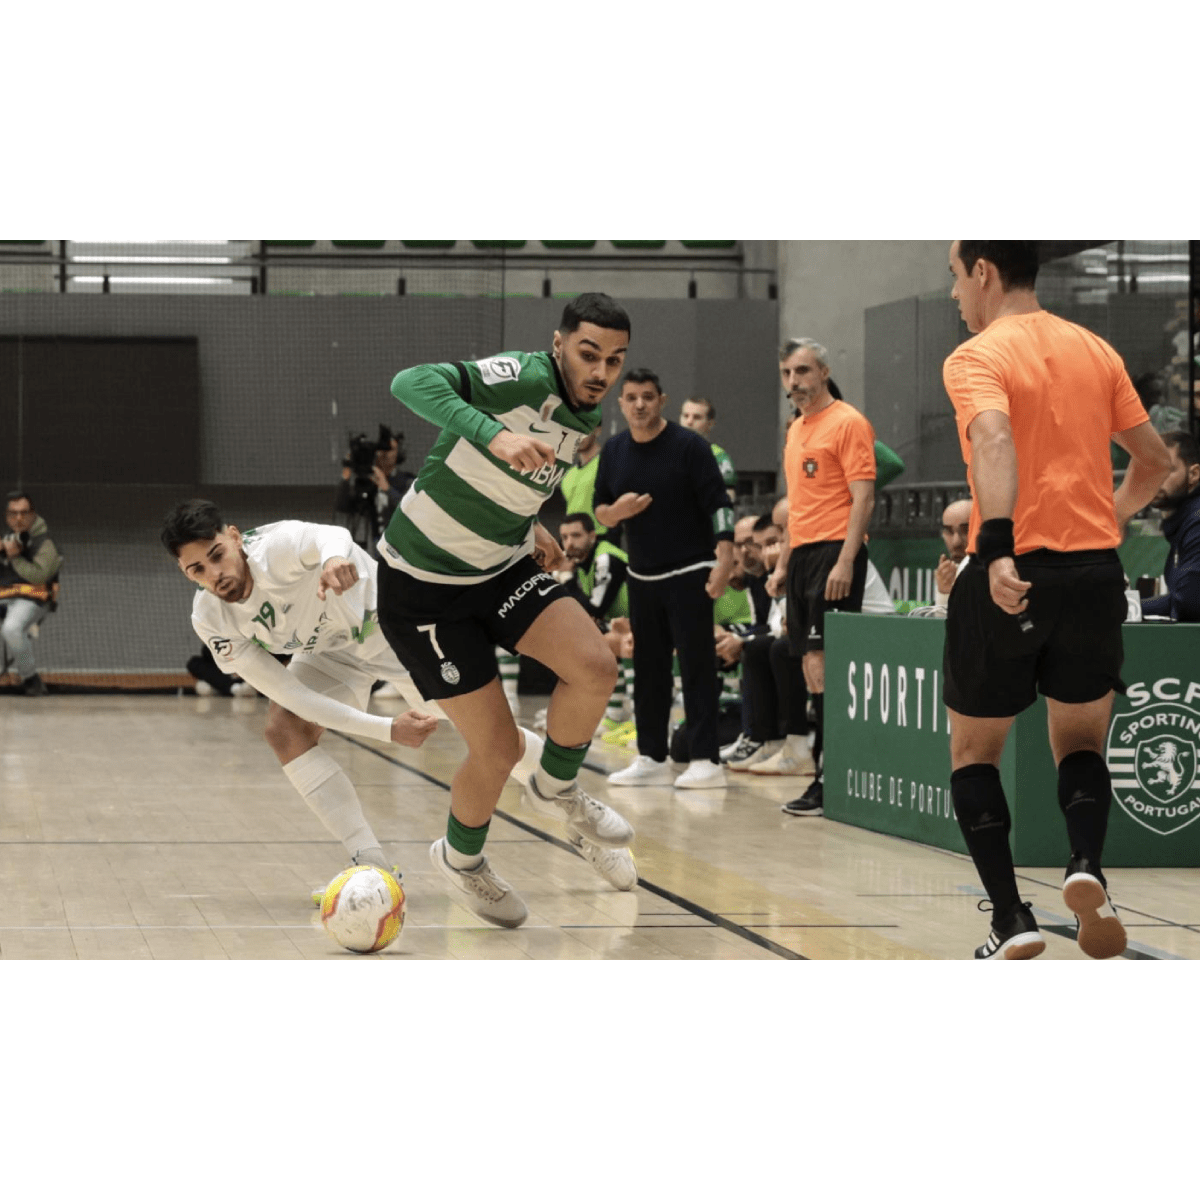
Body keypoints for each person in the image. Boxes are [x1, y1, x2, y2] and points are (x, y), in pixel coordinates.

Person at [375, 293, 639, 924]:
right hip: (423, 588)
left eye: (615, 359)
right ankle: (461, 862)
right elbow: (409, 382)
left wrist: (533, 527)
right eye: (588, 353)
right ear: (558, 344)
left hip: (500, 567)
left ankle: (555, 788)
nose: (601, 371)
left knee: (597, 666)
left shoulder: (586, 415)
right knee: (493, 751)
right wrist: (494, 433)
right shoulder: (522, 376)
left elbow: (517, 484)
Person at [941, 239, 1171, 961]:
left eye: (954, 278)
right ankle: (1085, 866)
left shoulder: (976, 356)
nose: (953, 295)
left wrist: (999, 545)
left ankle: (1012, 918)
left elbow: (994, 437)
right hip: (1095, 573)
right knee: (1080, 744)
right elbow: (1156, 463)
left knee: (975, 754)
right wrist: (1109, 517)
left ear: (983, 272)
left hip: (1011, 572)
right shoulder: (1096, 350)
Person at [160, 501, 570, 904]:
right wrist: (387, 729)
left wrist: (335, 558)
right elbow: (293, 695)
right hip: (331, 654)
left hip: (392, 631)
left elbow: (329, 535)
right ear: (185, 573)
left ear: (234, 537)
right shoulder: (211, 618)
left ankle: (570, 800)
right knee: (284, 729)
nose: (216, 574)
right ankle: (373, 867)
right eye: (197, 569)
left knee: (488, 736)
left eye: (218, 556)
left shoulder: (276, 547)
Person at [595, 368, 735, 790]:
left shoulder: (689, 446)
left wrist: (724, 561)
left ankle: (706, 760)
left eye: (648, 397)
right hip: (642, 574)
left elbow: (720, 505)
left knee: (695, 667)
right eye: (632, 397)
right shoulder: (615, 451)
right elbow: (601, 512)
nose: (640, 404)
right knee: (648, 669)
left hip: (690, 571)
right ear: (621, 404)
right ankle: (651, 756)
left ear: (662, 400)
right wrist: (619, 512)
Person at [767, 339, 877, 816]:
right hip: (804, 557)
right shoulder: (796, 430)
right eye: (788, 373)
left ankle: (830, 779)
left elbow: (864, 497)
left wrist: (847, 560)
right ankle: (823, 773)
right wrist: (782, 565)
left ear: (825, 372)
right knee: (812, 670)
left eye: (804, 371)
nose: (795, 382)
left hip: (835, 552)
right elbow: (796, 507)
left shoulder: (849, 422)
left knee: (826, 665)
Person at [1, 491, 62, 696]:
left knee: (11, 628)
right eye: (13, 513)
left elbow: (40, 576)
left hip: (33, 598)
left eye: (24, 513)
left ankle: (30, 678)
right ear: (7, 516)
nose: (19, 518)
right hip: (4, 597)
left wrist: (15, 558)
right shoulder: (6, 539)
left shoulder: (44, 542)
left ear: (33, 514)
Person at [1140, 431, 1200, 622]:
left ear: (1194, 474)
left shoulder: (1197, 522)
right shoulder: (1182, 524)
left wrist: (1128, 607)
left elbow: (1189, 602)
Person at [335, 424, 415, 552]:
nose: (384, 454)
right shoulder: (367, 483)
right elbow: (342, 506)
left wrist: (387, 488)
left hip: (400, 549)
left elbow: (410, 510)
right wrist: (346, 477)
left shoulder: (406, 481)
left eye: (390, 449)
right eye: (382, 449)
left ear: (398, 453)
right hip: (376, 550)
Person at [680, 397, 738, 501]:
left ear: (710, 424)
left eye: (697, 417)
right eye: (685, 416)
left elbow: (728, 496)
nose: (689, 422)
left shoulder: (719, 457)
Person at [559, 429, 608, 535]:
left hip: (602, 539)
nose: (578, 437)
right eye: (574, 432)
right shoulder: (568, 476)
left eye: (583, 431)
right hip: (574, 543)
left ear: (597, 430)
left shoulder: (608, 464)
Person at [934, 498, 973, 608]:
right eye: (949, 531)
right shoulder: (947, 575)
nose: (956, 542)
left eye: (967, 530)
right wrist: (945, 594)